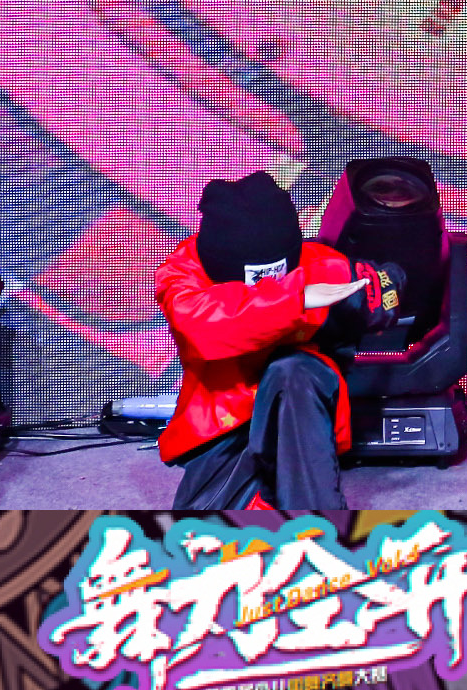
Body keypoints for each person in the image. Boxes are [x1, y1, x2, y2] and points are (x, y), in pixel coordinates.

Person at [154, 171, 405, 510]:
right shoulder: (182, 273)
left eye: (277, 277)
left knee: (294, 371)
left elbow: (386, 283)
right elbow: (201, 325)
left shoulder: (318, 264)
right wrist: (297, 299)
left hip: (299, 410)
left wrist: (377, 297)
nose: (266, 287)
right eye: (255, 282)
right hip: (224, 421)